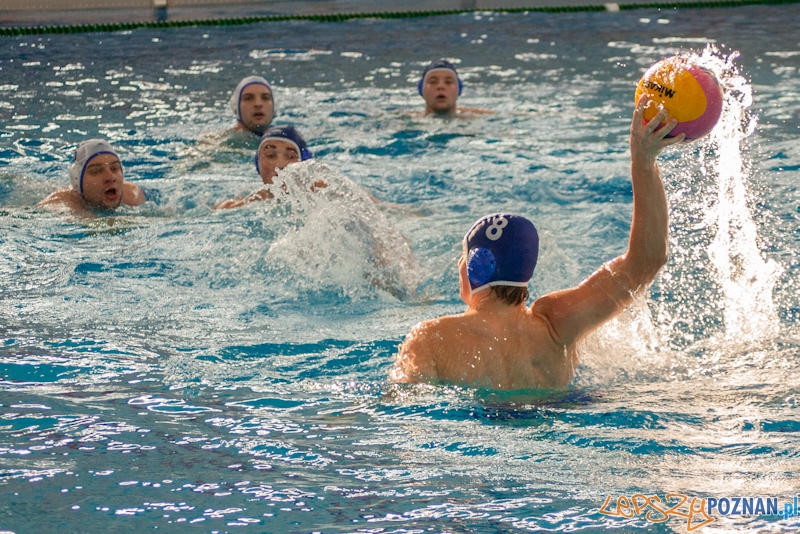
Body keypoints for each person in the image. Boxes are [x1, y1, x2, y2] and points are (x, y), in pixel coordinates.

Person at [392, 95, 685, 390]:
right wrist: (644, 162)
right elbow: (647, 259)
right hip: (560, 417)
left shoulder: (432, 337)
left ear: (475, 269)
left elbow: (403, 405)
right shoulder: (557, 324)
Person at [213, 125, 320, 210]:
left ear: (304, 162)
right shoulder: (248, 203)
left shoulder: (322, 192)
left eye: (291, 156)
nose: (280, 164)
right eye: (270, 155)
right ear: (258, 164)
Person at [38, 139, 145, 217]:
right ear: (77, 180)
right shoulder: (59, 203)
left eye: (114, 168)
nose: (111, 177)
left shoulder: (131, 196)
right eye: (96, 171)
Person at [418, 59, 491, 117]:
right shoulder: (410, 119)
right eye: (433, 82)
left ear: (459, 89)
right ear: (421, 89)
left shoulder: (478, 118)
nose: (441, 86)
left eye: (448, 82)